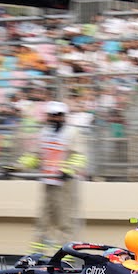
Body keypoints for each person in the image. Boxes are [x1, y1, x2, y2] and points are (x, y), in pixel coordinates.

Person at [18, 101, 88, 252]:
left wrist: (68, 170)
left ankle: (66, 256)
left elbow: (80, 156)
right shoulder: (43, 133)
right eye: (52, 115)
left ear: (63, 117)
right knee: (43, 221)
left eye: (58, 115)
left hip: (65, 184)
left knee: (65, 221)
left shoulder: (72, 133)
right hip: (48, 182)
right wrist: (19, 166)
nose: (55, 118)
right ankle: (37, 256)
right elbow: (35, 156)